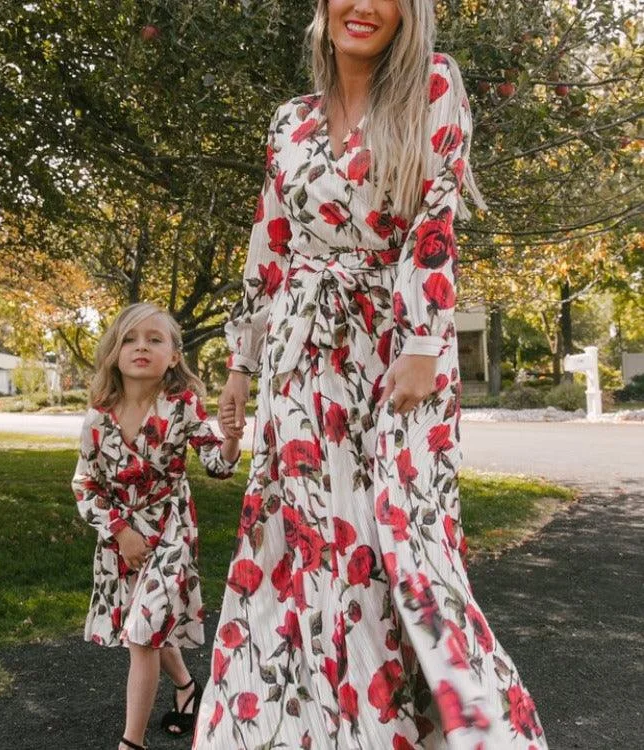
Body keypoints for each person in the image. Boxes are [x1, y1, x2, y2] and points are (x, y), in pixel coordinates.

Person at [194, 1, 547, 749]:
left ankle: (451, 730)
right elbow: (271, 238)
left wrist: (423, 340)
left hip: (396, 349)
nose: (365, 5)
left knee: (401, 547)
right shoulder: (288, 120)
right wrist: (241, 358)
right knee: (299, 543)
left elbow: (436, 214)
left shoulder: (431, 86)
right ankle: (307, 728)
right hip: (299, 358)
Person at [71, 302, 242, 750]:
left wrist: (231, 440)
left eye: (154, 339)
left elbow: (216, 465)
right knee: (144, 625)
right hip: (121, 537)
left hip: (170, 532)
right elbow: (85, 485)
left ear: (173, 356)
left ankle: (131, 743)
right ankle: (186, 687)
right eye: (130, 339)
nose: (141, 347)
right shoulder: (97, 418)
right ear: (114, 352)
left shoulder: (182, 406)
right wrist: (119, 533)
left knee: (144, 633)